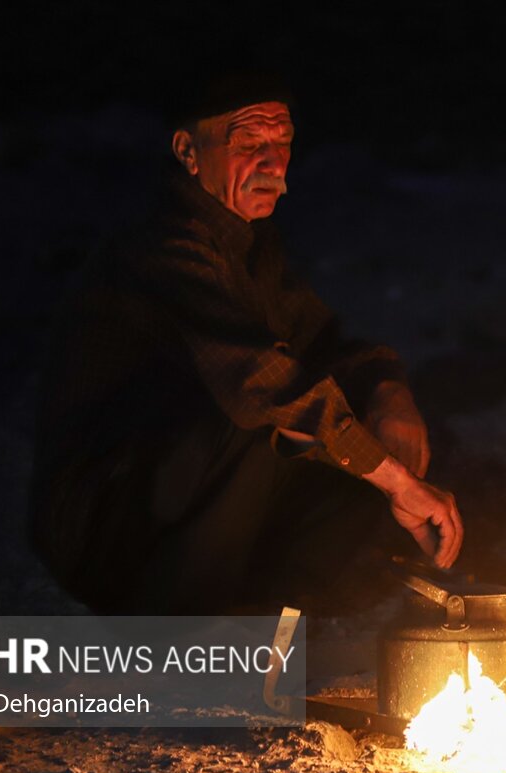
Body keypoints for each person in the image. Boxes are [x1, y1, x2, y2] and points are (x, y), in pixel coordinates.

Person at [29, 76, 462, 614]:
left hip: (174, 496)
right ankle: (181, 633)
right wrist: (396, 480)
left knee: (350, 432)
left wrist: (389, 394)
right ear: (189, 152)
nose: (273, 163)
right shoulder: (165, 244)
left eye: (282, 143)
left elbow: (326, 345)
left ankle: (268, 623)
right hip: (99, 521)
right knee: (270, 417)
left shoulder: (249, 244)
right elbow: (259, 383)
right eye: (249, 143)